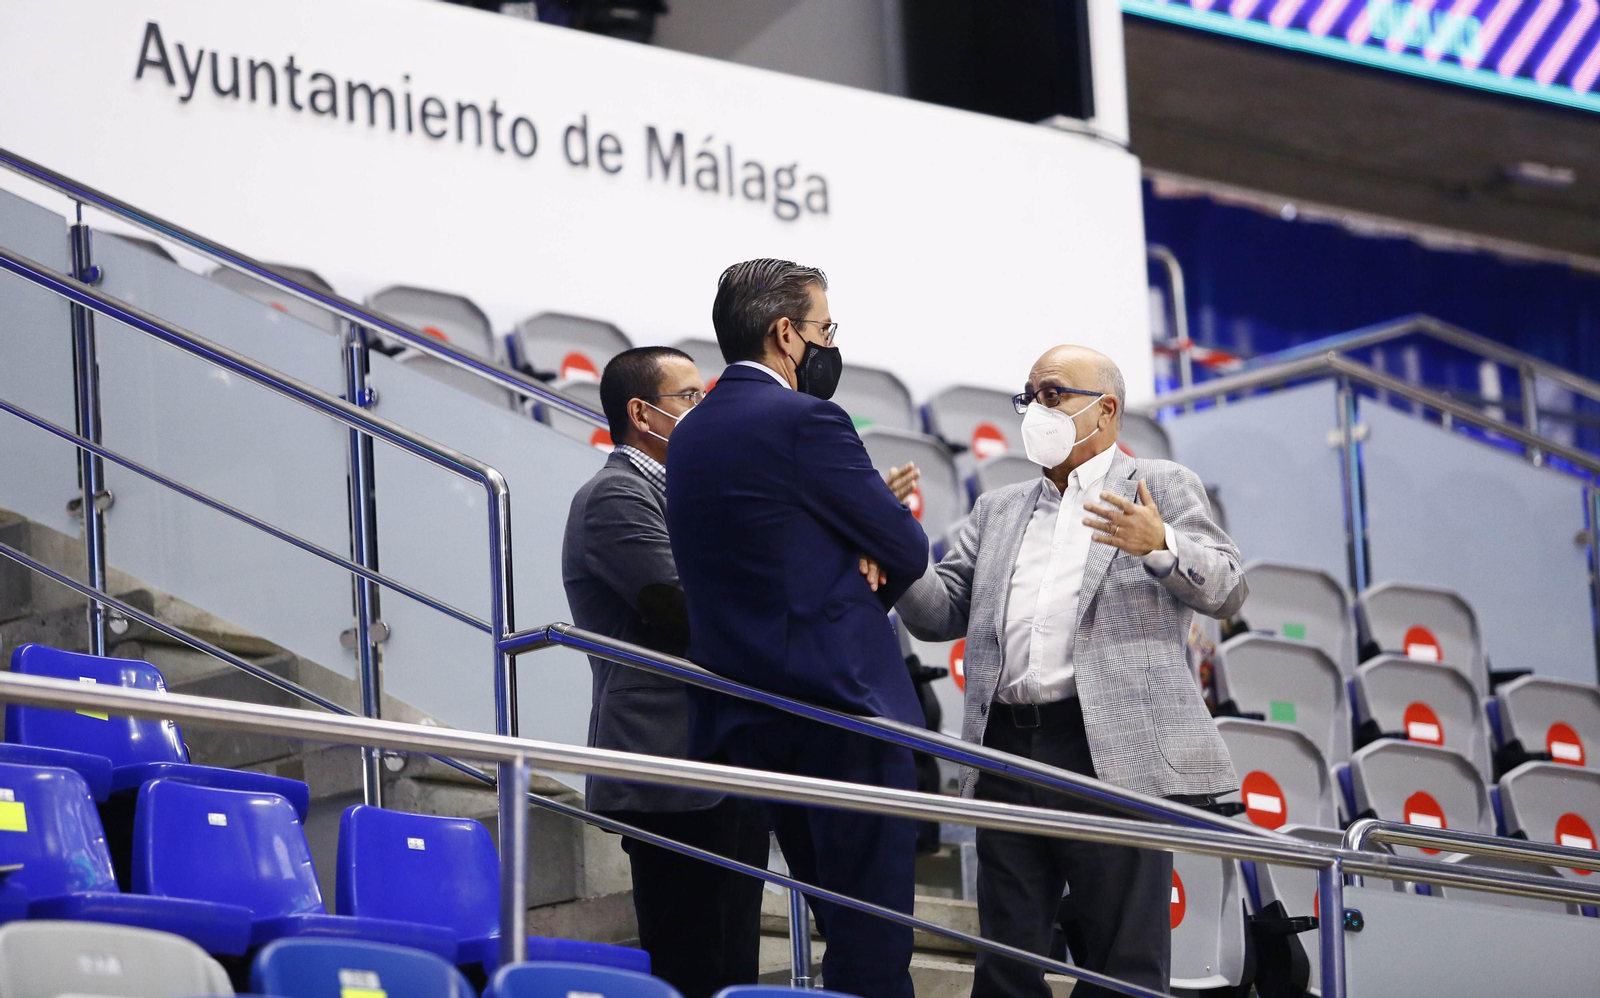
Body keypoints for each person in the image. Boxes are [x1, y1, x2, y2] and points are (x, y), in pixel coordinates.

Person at [896, 345, 1246, 998]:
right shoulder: (998, 508)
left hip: (1108, 749)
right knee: (1005, 956)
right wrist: (891, 544)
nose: (1036, 410)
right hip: (1007, 745)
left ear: (1106, 411)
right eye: (1028, 396)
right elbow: (937, 612)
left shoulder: (1160, 484)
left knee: (1121, 960)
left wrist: (1163, 544)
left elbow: (1228, 589)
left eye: (1053, 394)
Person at [665, 259, 930, 998]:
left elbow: (771, 550)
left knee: (838, 925)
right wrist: (865, 544)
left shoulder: (689, 434)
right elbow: (907, 549)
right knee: (873, 945)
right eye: (824, 329)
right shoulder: (808, 420)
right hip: (845, 716)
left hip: (755, 716)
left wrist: (844, 546)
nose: (828, 344)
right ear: (786, 334)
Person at [560, 346, 768, 998]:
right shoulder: (615, 494)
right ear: (640, 413)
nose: (702, 412)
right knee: (690, 964)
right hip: (669, 764)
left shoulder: (693, 495)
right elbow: (681, 611)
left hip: (725, 756)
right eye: (688, 399)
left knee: (732, 967)